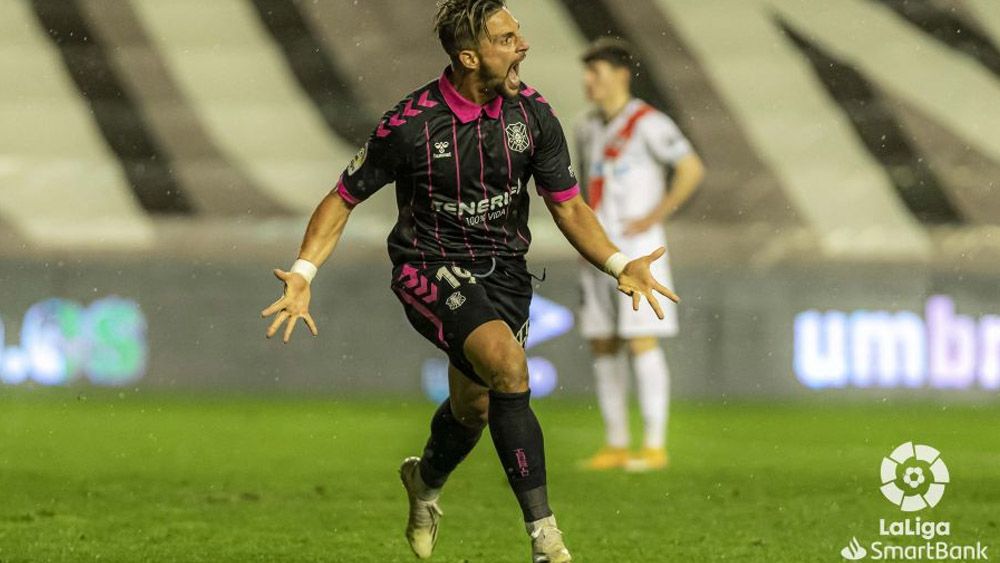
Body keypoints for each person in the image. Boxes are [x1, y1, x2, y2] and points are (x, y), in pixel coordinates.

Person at [261, 4, 678, 561]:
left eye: (517, 34)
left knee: (473, 409)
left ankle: (424, 483)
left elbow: (569, 207)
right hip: (429, 265)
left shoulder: (533, 115)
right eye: (506, 39)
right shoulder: (410, 124)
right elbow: (343, 197)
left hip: (505, 273)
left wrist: (619, 263)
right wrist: (304, 272)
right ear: (469, 57)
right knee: (509, 365)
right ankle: (545, 537)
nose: (522, 45)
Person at [575, 39, 705, 472]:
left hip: (638, 251)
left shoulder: (649, 123)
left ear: (620, 75)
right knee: (602, 342)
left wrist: (654, 215)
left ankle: (653, 445)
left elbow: (691, 168)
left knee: (641, 339)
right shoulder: (586, 126)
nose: (588, 81)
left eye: (595, 72)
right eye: (587, 72)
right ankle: (615, 443)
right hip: (598, 249)